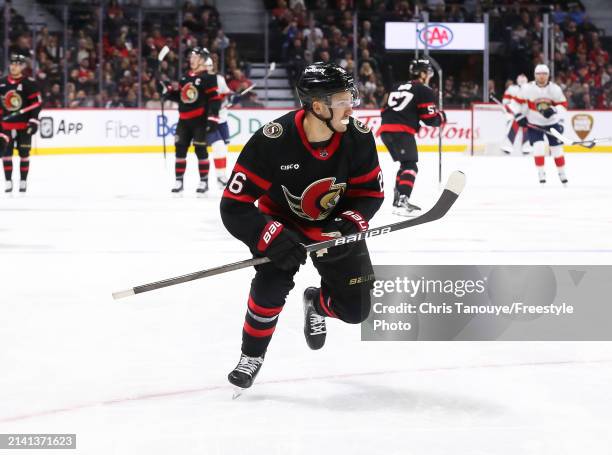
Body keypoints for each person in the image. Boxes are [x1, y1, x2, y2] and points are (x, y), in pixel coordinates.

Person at [220, 62, 384, 390]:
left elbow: (370, 193)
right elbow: (233, 206)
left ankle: (317, 303)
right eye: (342, 100)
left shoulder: (358, 137)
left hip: (333, 226)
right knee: (270, 285)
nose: (350, 105)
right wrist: (268, 235)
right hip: (282, 225)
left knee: (358, 310)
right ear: (318, 106)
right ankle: (250, 356)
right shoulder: (273, 141)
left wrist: (351, 221)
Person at [377, 59, 446, 217]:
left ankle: (398, 201)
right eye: (427, 73)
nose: (428, 76)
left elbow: (385, 109)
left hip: (386, 130)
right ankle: (402, 201)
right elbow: (429, 118)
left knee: (405, 164)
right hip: (400, 131)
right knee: (411, 166)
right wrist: (441, 118)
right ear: (422, 73)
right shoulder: (424, 90)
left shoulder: (396, 86)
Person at [157, 47, 221, 194]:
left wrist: (213, 119)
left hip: (200, 121)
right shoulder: (185, 77)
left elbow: (215, 99)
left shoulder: (208, 77)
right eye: (191, 56)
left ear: (203, 59)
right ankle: (179, 181)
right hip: (183, 121)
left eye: (195, 56)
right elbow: (181, 97)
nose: (192, 58)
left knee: (200, 149)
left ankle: (203, 182)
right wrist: (167, 93)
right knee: (180, 149)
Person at [513, 64, 568, 184]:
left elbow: (563, 105)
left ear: (548, 75)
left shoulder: (555, 89)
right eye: (539, 74)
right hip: (535, 123)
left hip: (552, 123)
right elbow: (515, 103)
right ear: (535, 75)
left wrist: (554, 109)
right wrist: (518, 116)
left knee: (557, 149)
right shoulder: (527, 88)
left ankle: (561, 172)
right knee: (538, 148)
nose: (542, 77)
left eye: (544, 74)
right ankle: (541, 172)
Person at [0, 53, 42, 193]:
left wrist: (33, 121)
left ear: (22, 67)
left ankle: (23, 181)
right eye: (12, 64)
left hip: (24, 126)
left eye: (17, 64)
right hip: (5, 126)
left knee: (24, 153)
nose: (14, 67)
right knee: (6, 153)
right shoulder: (2, 83)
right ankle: (8, 182)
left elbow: (36, 104)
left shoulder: (29, 84)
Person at [204, 57, 230, 188]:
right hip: (209, 119)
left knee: (223, 149)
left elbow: (226, 94)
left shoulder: (219, 79)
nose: (208, 69)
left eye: (209, 66)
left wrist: (230, 99)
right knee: (218, 147)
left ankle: (221, 176)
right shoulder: (200, 81)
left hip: (222, 119)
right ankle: (219, 177)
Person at [501, 74, 532, 155]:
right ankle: (507, 146)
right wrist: (509, 110)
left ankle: (526, 146)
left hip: (526, 113)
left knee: (527, 125)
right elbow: (505, 102)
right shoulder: (511, 89)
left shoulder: (530, 89)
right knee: (513, 123)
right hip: (514, 113)